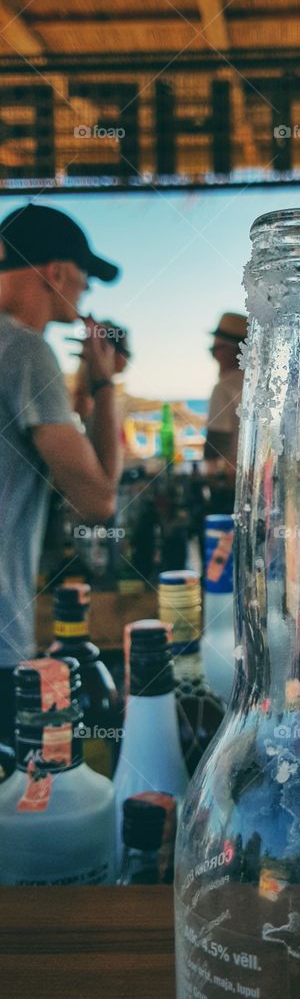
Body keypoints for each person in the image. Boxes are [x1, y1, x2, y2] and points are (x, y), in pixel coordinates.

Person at [0, 203, 123, 741]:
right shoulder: (24, 350)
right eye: (85, 274)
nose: (88, 289)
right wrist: (104, 382)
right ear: (54, 271)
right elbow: (98, 501)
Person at [203, 312, 247, 474]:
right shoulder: (256, 386)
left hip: (233, 480)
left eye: (215, 348)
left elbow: (214, 452)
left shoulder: (224, 388)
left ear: (228, 350)